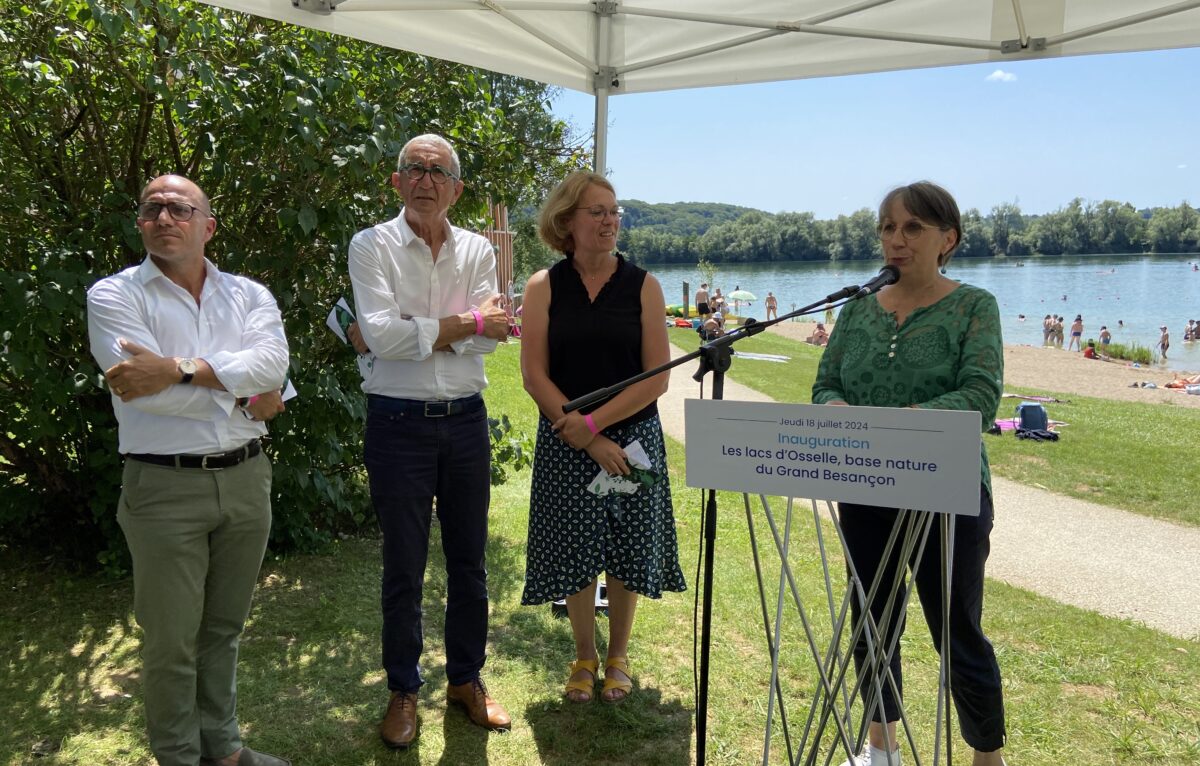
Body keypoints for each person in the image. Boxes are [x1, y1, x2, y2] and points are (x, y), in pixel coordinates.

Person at [87, 175, 291, 766]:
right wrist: (241, 390)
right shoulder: (114, 295)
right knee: (171, 641)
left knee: (223, 629)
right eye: (152, 208)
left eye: (180, 207)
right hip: (163, 486)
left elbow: (273, 363)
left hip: (246, 479)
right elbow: (138, 393)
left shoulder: (249, 296)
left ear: (209, 225)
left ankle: (223, 748)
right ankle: (178, 757)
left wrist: (175, 369)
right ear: (140, 223)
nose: (164, 216)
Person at [812, 182, 1006, 766]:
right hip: (864, 484)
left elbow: (981, 396)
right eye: (887, 228)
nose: (896, 240)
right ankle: (881, 748)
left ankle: (985, 754)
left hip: (948, 488)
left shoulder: (975, 306)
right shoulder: (857, 308)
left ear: (948, 238)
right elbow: (826, 383)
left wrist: (905, 425)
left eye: (912, 228)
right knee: (872, 619)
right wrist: (834, 410)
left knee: (955, 628)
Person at [348, 134, 512, 749]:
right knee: (404, 565)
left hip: (466, 419)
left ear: (456, 187)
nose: (424, 179)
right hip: (397, 423)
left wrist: (430, 332)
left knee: (470, 560)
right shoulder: (372, 245)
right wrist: (466, 323)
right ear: (396, 182)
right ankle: (404, 689)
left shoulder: (476, 249)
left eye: (438, 171)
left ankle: (467, 680)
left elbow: (494, 340)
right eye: (413, 168)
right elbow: (382, 337)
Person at [519, 171, 686, 705]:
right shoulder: (543, 286)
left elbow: (657, 377)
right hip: (566, 438)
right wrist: (584, 435)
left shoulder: (644, 286)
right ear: (567, 221)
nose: (610, 220)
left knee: (626, 549)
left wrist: (596, 426)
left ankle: (618, 655)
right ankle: (584, 655)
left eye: (615, 211)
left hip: (632, 438)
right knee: (573, 549)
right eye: (598, 211)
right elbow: (534, 375)